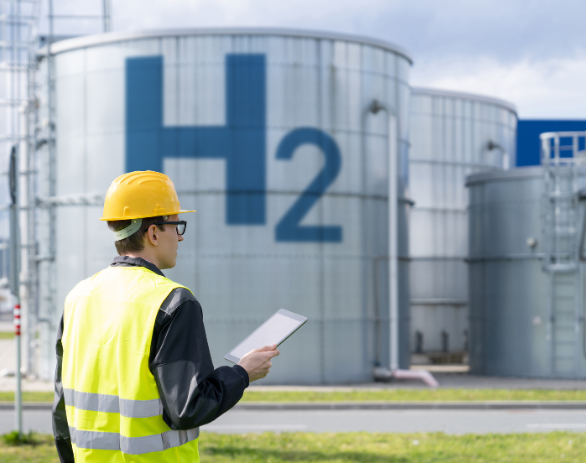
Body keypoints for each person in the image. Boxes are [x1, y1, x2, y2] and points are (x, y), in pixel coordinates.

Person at [52, 170, 280, 462]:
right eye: (177, 225)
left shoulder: (78, 296)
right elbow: (190, 407)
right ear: (154, 233)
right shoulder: (172, 302)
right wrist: (242, 373)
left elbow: (62, 406)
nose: (180, 237)